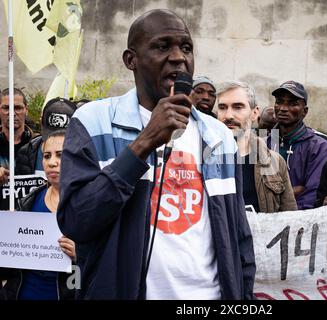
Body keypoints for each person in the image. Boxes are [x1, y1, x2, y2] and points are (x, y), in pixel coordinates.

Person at [57, 9, 255, 300]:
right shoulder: (93, 122)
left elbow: (238, 236)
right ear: (131, 60)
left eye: (186, 48)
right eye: (163, 47)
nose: (178, 57)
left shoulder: (219, 137)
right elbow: (77, 220)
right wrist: (145, 142)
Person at [1, 130, 76, 300]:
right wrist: (8, 234)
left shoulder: (87, 205)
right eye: (47, 156)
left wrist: (81, 255)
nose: (52, 162)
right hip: (22, 293)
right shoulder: (29, 201)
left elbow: (105, 263)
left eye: (60, 155)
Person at [217, 81, 297, 213]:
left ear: (254, 113)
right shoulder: (201, 159)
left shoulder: (275, 162)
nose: (228, 115)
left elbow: (290, 218)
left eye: (238, 107)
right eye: (222, 107)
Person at [268, 81, 327, 210]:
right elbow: (255, 192)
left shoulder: (320, 146)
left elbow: (313, 193)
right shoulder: (263, 143)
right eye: (279, 102)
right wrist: (293, 191)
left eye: (292, 104)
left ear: (305, 111)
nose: (283, 108)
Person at [16, 98, 77, 178]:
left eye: (63, 137)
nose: (52, 162)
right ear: (41, 123)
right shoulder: (26, 153)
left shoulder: (84, 154)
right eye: (47, 156)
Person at [0, 88, 34, 186]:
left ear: (26, 110)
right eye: (6, 108)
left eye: (18, 108)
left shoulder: (40, 144)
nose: (12, 113)